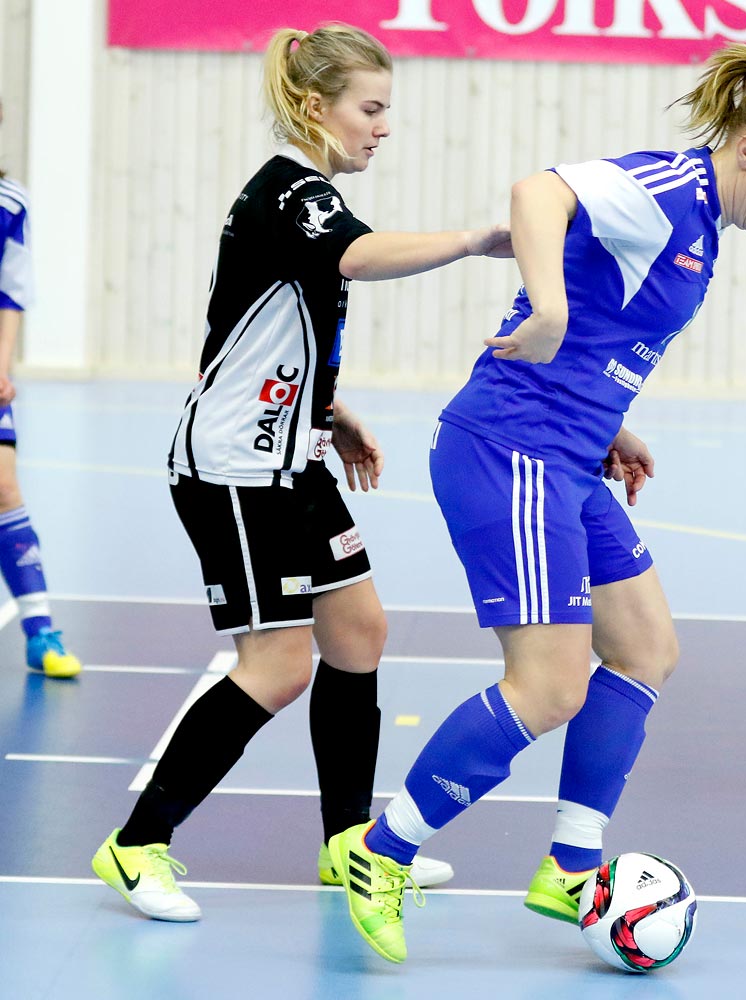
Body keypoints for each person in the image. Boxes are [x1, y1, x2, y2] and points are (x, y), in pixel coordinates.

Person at [323, 42, 746, 964]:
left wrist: (609, 421)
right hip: (509, 451)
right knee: (549, 686)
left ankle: (569, 865)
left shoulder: (706, 223)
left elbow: (614, 318)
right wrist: (548, 303)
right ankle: (382, 853)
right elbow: (537, 192)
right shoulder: (672, 188)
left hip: (568, 450)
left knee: (646, 649)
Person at [90, 23, 511, 921]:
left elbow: (270, 327)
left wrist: (329, 409)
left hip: (292, 454)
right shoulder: (292, 189)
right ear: (314, 107)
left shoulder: (300, 195)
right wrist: (477, 238)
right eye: (371, 107)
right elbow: (357, 255)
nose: (383, 126)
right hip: (237, 470)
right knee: (277, 664)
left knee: (358, 630)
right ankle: (137, 847)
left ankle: (347, 845)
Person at [0, 98, 82, 679]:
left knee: (5, 489)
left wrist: (2, 365)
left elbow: (12, 292)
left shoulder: (10, 202)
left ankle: (39, 629)